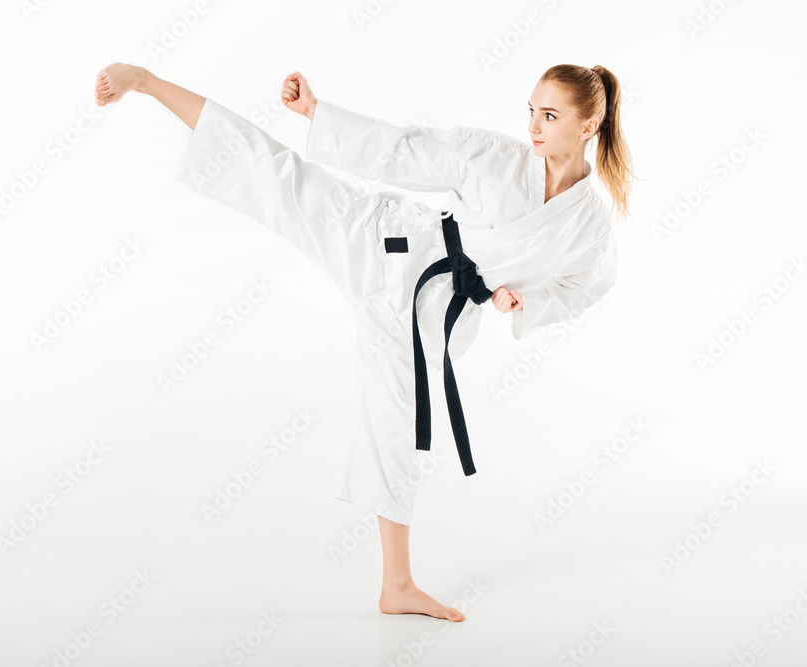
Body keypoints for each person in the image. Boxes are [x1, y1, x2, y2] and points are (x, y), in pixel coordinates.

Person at [94, 61, 634, 622]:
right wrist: (316, 113)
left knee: (395, 422)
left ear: (589, 124)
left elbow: (588, 285)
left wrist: (520, 299)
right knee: (277, 175)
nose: (534, 126)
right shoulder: (494, 158)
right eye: (531, 111)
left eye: (549, 115)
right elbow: (403, 149)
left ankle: (396, 585)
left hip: (431, 316)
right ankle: (149, 81)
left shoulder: (589, 225)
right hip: (390, 243)